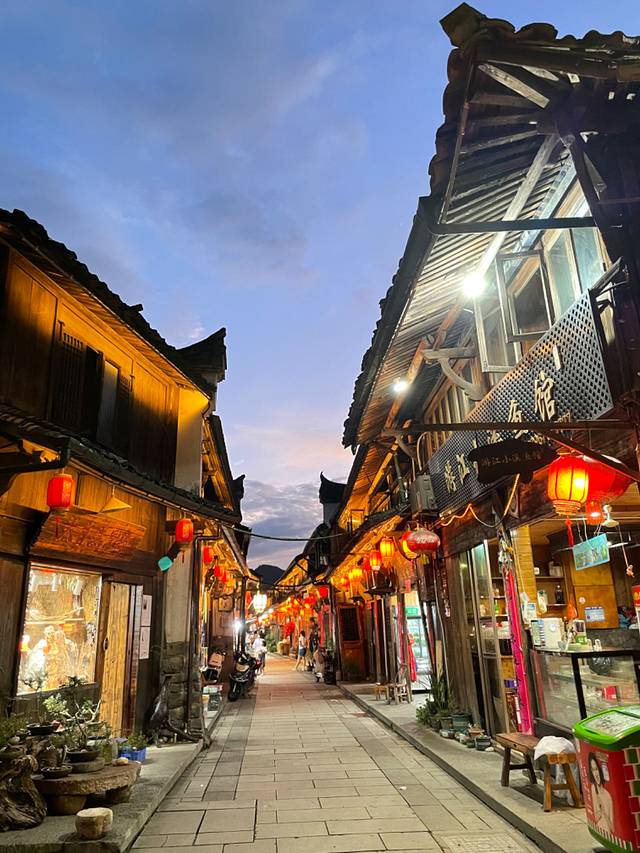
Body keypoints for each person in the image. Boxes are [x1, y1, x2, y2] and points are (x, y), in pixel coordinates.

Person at [588, 753, 614, 833]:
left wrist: (604, 812)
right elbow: (595, 818)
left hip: (607, 831)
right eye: (593, 770)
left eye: (596, 769)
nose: (596, 774)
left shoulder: (608, 796)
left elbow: (612, 828)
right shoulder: (593, 788)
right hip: (600, 829)